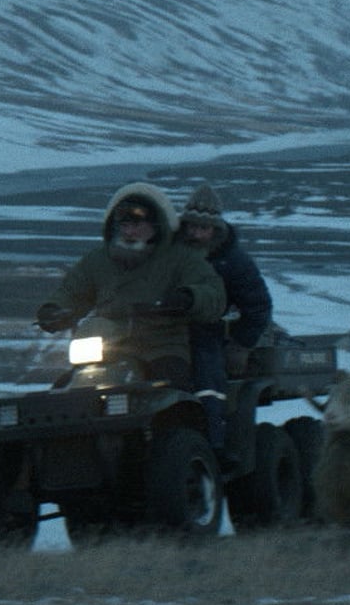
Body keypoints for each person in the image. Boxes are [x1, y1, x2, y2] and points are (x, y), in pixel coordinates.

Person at [34, 181, 226, 388]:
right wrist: (53, 310)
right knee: (65, 392)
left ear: (156, 224)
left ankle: (188, 419)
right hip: (109, 345)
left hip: (161, 346)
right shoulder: (99, 260)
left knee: (170, 391)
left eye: (137, 225)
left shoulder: (181, 257)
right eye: (124, 225)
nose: (130, 232)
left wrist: (189, 298)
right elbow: (73, 291)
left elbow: (212, 292)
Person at [177, 184, 276, 454]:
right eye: (191, 227)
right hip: (164, 328)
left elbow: (258, 305)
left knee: (208, 377)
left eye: (203, 228)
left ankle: (215, 442)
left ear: (215, 229)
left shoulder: (233, 261)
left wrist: (241, 345)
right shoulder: (169, 252)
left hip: (209, 329)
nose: (196, 233)